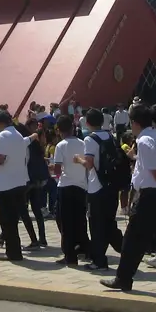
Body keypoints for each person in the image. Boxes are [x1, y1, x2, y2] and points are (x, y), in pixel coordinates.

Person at [101, 103, 156, 292]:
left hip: (150, 195)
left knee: (133, 239)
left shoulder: (144, 141)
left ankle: (123, 278)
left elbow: (154, 170)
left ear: (134, 122)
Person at [75, 108, 123, 270]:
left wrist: (78, 160)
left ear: (87, 123)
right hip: (112, 185)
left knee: (96, 225)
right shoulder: (110, 136)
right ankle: (124, 247)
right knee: (109, 222)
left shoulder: (90, 139)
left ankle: (99, 260)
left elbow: (89, 164)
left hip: (97, 187)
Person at [0, 111, 29, 262]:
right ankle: (15, 251)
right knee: (13, 220)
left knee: (6, 221)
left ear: (0, 122)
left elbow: (0, 159)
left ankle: (12, 253)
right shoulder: (18, 134)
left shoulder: (3, 135)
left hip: (7, 184)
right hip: (19, 182)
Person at [52, 114, 88, 266]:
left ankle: (70, 255)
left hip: (65, 185)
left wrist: (51, 168)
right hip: (81, 185)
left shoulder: (60, 145)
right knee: (80, 220)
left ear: (59, 130)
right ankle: (84, 248)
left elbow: (58, 169)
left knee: (65, 222)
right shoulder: (83, 143)